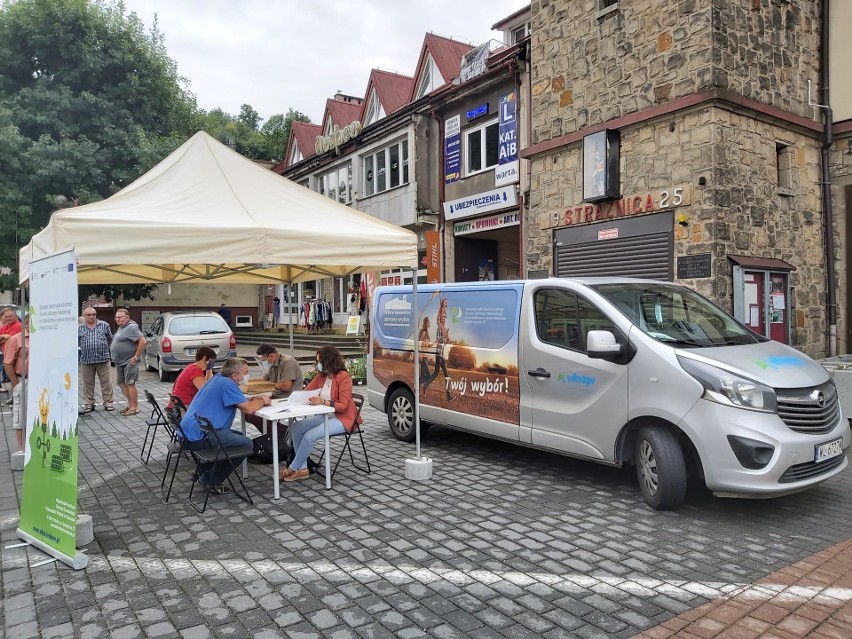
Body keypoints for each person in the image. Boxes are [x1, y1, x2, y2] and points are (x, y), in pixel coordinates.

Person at [179, 357, 271, 492]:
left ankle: (202, 470)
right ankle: (210, 480)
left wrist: (253, 400)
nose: (247, 375)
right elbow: (249, 409)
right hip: (200, 436)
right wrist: (263, 400)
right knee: (246, 444)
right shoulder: (228, 384)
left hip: (188, 432)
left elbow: (239, 401)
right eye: (245, 372)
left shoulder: (218, 379)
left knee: (238, 436)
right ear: (235, 375)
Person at [280, 345, 362, 482]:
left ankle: (293, 468)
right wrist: (294, 399)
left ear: (328, 361)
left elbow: (343, 406)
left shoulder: (344, 377)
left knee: (308, 437)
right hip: (325, 415)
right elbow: (306, 392)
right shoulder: (322, 376)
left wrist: (323, 401)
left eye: (319, 362)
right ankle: (303, 469)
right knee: (295, 427)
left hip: (343, 418)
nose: (317, 365)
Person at [245, 343, 304, 435]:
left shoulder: (288, 362)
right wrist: (247, 383)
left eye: (264, 360)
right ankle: (276, 434)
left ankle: (286, 434)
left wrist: (270, 386)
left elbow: (286, 386)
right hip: (276, 396)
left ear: (271, 355)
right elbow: (263, 379)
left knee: (253, 415)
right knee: (248, 411)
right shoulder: (272, 364)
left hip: (288, 398)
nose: (264, 362)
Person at [109, 308, 146, 416]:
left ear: (127, 318)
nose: (117, 319)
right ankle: (130, 405)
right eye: (116, 317)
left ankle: (134, 407)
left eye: (120, 317)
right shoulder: (121, 328)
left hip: (129, 361)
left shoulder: (131, 327)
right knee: (122, 383)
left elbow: (142, 341)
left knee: (130, 383)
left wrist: (136, 357)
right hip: (120, 362)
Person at [78, 307, 114, 414]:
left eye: (93, 314)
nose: (91, 316)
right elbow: (77, 341)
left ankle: (108, 403)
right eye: (88, 315)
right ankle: (89, 404)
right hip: (87, 360)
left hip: (103, 359)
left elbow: (110, 339)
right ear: (84, 316)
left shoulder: (104, 325)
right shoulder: (80, 328)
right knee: (88, 384)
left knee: (106, 382)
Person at [4, 315, 28, 468]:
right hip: (23, 380)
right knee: (20, 417)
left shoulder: (44, 338)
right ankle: (22, 450)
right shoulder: (16, 339)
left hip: (42, 381)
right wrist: (15, 384)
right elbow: (8, 363)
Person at [423, 297, 454, 401]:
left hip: (440, 353)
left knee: (436, 373)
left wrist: (449, 340)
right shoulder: (439, 329)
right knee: (446, 375)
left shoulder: (443, 328)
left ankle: (425, 386)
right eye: (444, 303)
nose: (446, 305)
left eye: (447, 303)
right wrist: (444, 334)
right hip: (439, 354)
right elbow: (439, 339)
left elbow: (444, 340)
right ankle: (449, 396)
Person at [169, 346, 216, 411]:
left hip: (178, 405)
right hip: (184, 407)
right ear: (205, 358)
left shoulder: (191, 367)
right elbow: (206, 391)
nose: (212, 362)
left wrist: (209, 369)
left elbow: (208, 382)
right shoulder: (196, 371)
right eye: (211, 360)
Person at [0, 306, 21, 401]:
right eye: (6, 316)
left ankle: (17, 398)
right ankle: (14, 397)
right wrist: (5, 337)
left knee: (15, 379)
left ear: (16, 316)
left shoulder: (18, 326)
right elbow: (4, 338)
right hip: (7, 354)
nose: (8, 318)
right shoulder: (5, 327)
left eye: (10, 316)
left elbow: (11, 339)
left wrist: (6, 337)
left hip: (16, 356)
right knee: (12, 378)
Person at [417, 316, 432, 394]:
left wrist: (435, 342)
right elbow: (420, 343)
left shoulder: (427, 333)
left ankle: (417, 390)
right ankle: (421, 387)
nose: (430, 323)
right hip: (423, 357)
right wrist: (420, 355)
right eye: (429, 321)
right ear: (426, 323)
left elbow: (427, 346)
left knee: (422, 376)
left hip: (425, 357)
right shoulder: (424, 333)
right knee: (428, 376)